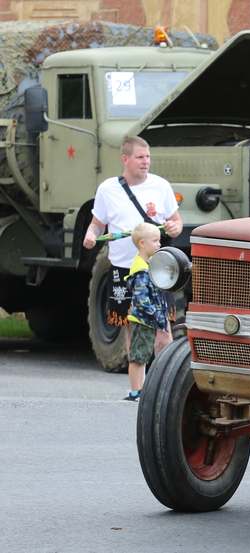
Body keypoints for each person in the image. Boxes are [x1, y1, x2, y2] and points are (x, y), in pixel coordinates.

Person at [83, 136, 181, 355]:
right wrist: (90, 235)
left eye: (148, 157)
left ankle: (161, 373)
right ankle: (137, 377)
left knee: (163, 329)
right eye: (140, 157)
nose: (146, 162)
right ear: (125, 159)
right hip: (123, 269)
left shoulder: (161, 186)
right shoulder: (108, 189)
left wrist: (174, 227)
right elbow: (97, 224)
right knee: (130, 328)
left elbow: (177, 221)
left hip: (156, 269)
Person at [121, 223, 169, 401]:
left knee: (143, 356)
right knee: (138, 357)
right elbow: (141, 299)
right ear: (142, 243)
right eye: (155, 241)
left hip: (146, 320)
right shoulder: (141, 270)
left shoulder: (147, 265)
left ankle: (139, 390)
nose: (159, 244)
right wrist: (156, 315)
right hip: (142, 320)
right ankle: (136, 392)